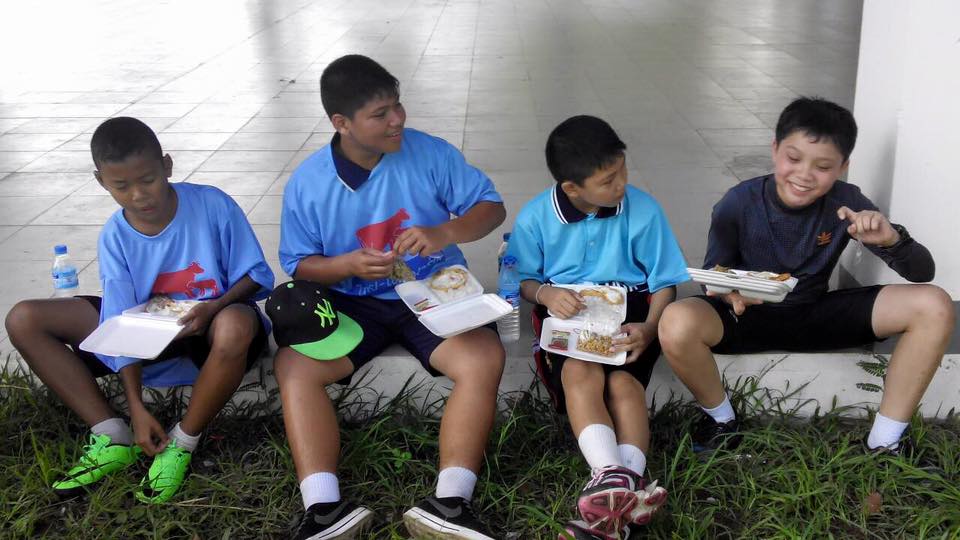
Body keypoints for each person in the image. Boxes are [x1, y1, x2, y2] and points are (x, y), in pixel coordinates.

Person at [275, 54, 507, 540]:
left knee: (483, 357)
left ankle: (450, 501)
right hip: (353, 302)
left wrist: (444, 232)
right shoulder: (310, 182)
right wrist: (346, 266)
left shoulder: (431, 154)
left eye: (397, 106)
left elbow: (490, 208)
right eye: (380, 114)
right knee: (296, 366)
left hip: (432, 293)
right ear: (341, 123)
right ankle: (322, 509)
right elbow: (299, 263)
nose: (397, 119)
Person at [657, 97, 953, 456]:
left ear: (843, 166)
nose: (804, 174)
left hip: (815, 313)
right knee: (676, 320)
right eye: (793, 158)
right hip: (745, 316)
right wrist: (728, 292)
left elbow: (922, 272)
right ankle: (721, 420)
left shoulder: (847, 202)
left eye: (823, 166)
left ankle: (886, 440)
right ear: (775, 149)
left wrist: (892, 240)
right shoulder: (739, 202)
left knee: (934, 304)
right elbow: (714, 274)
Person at [4, 117, 275, 503]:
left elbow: (256, 275)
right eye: (121, 186)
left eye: (148, 180)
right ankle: (112, 435)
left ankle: (182, 442)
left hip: (213, 327)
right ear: (101, 181)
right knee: (24, 318)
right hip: (150, 336)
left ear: (167, 166)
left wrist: (213, 307)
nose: (138, 195)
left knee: (234, 325)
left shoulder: (212, 204)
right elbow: (120, 324)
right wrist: (135, 408)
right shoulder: (115, 235)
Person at [506, 115, 687, 539]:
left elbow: (664, 282)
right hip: (566, 315)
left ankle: (615, 483)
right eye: (608, 180)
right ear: (572, 188)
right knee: (577, 371)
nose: (621, 184)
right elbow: (522, 280)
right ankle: (620, 481)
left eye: (622, 170)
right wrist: (546, 294)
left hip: (631, 316)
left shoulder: (644, 210)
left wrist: (650, 327)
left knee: (625, 385)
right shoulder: (536, 217)